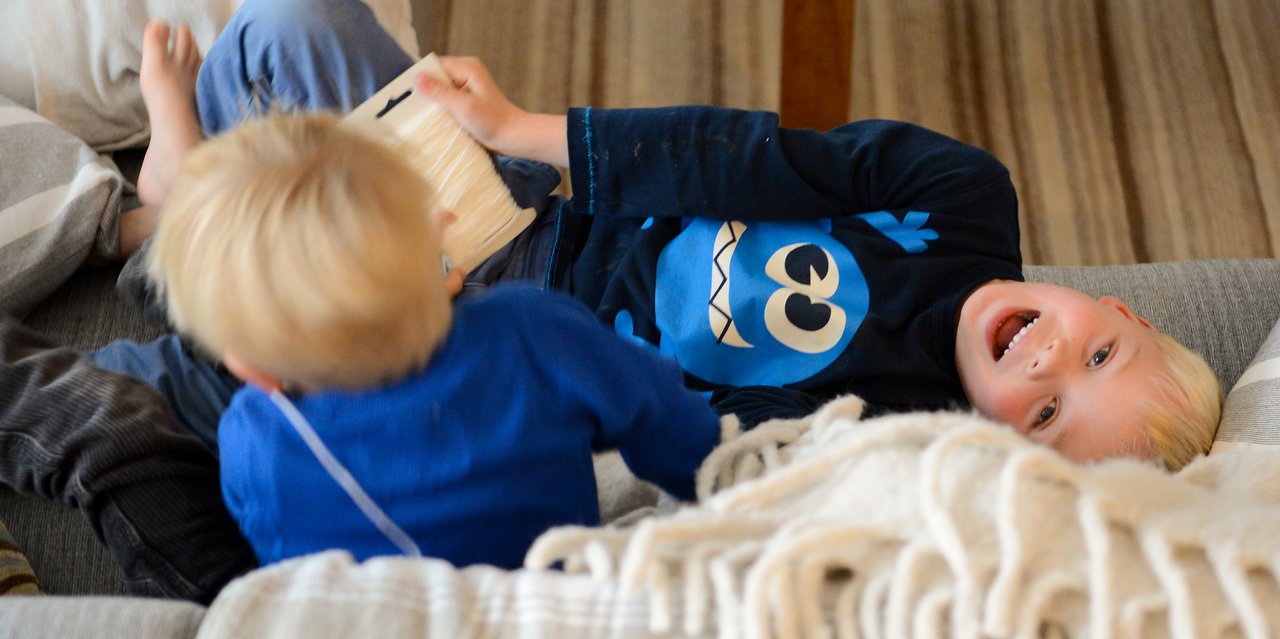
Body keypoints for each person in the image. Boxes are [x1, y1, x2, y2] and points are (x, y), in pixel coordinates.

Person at [103, 0, 1221, 475]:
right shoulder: (964, 200)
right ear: (1116, 307)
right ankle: (180, 207)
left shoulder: (900, 432)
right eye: (1098, 353)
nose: (1046, 360)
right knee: (290, 23)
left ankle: (174, 207)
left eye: (1044, 414)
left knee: (247, 343)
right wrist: (522, 132)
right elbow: (750, 156)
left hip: (487, 330)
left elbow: (695, 438)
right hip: (520, 206)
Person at [144, 106, 722, 568]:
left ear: (253, 373)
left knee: (132, 378)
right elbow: (676, 430)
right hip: (548, 597)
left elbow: (287, 565)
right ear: (443, 252)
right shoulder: (533, 331)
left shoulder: (254, 440)